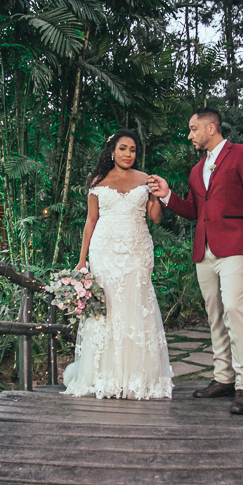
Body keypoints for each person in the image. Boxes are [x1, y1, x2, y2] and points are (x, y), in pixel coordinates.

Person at [148, 109, 243, 415]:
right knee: (215, 315)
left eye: (193, 129)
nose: (190, 135)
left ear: (211, 128)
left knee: (235, 312)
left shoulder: (242, 154)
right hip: (205, 251)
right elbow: (193, 211)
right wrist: (167, 195)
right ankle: (223, 377)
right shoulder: (196, 170)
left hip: (237, 247)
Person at [63, 130, 173, 400]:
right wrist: (82, 259)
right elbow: (91, 221)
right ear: (112, 151)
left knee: (136, 304)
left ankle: (137, 377)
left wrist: (157, 195)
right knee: (108, 309)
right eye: (123, 148)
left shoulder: (145, 180)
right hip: (104, 251)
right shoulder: (97, 181)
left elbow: (156, 218)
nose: (128, 154)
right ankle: (105, 375)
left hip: (137, 250)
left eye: (132, 149)